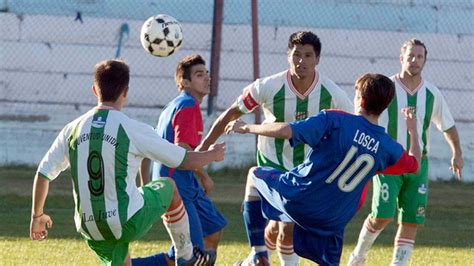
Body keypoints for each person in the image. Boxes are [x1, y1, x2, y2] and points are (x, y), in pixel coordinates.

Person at [29, 59, 225, 266]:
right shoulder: (132, 128)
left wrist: (37, 216)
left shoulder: (72, 129)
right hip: (127, 219)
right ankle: (185, 255)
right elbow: (184, 160)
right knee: (169, 186)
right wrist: (212, 154)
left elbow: (43, 174)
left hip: (90, 226)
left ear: (95, 90)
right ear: (125, 92)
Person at [225, 73, 421, 265]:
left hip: (301, 198)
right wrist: (412, 130)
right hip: (334, 219)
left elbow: (287, 130)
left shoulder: (335, 120)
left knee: (254, 175)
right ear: (385, 106)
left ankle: (258, 253)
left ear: (360, 100)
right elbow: (415, 163)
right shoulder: (387, 147)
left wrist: (248, 128)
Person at [197, 31, 353, 265]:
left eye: (308, 55)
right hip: (271, 163)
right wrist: (202, 149)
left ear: (317, 59)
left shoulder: (332, 94)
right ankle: (258, 256)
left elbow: (352, 127)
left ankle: (255, 258)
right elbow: (230, 114)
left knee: (281, 229)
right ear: (288, 56)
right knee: (284, 226)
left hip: (306, 171)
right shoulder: (268, 86)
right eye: (296, 54)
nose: (301, 61)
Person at [348, 39, 464, 266]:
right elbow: (363, 117)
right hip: (390, 161)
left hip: (418, 165)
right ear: (402, 58)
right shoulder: (386, 88)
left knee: (412, 219)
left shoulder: (432, 94)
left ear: (425, 60)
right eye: (410, 56)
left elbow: (447, 125)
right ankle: (358, 257)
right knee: (382, 216)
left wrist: (457, 153)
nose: (415, 60)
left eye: (420, 57)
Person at [135, 54, 227, 265]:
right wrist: (207, 166)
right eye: (199, 74)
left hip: (185, 183)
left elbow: (149, 150)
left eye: (207, 73)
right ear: (184, 82)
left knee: (213, 231)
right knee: (189, 255)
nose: (207, 78)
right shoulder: (187, 106)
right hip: (178, 187)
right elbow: (182, 152)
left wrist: (146, 184)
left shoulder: (174, 106)